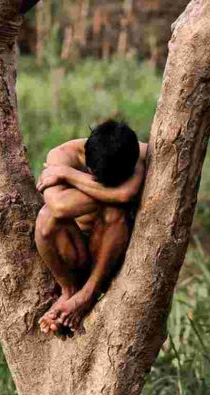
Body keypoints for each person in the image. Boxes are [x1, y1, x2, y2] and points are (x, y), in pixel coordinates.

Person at [35, 120, 147, 333]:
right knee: (46, 216)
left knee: (115, 211)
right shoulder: (61, 156)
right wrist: (113, 194)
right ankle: (69, 291)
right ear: (89, 165)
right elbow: (59, 207)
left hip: (109, 257)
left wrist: (68, 175)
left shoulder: (138, 152)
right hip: (72, 253)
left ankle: (87, 295)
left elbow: (125, 194)